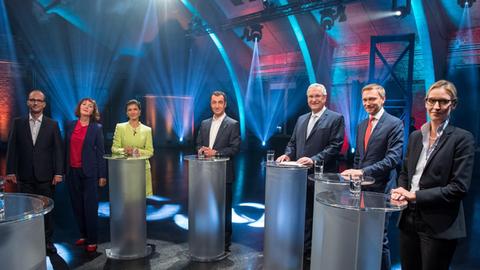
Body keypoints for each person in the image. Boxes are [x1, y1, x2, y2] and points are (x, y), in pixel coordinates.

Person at [391, 80, 475, 270]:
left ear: (453, 104)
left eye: (443, 101)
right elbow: (405, 172)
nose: (436, 107)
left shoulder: (463, 139)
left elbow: (459, 188)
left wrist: (414, 195)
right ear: (426, 102)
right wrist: (402, 189)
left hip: (439, 223)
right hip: (408, 218)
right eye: (432, 101)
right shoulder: (415, 136)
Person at [276, 83, 345, 260]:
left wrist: (314, 160)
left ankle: (319, 252)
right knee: (303, 214)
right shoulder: (301, 119)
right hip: (299, 177)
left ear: (324, 97)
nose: (313, 100)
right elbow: (293, 143)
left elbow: (335, 146)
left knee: (319, 216)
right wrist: (287, 154)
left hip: (321, 177)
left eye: (317, 96)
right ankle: (305, 250)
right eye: (310, 97)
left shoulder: (335, 118)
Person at [341, 83, 404, 270]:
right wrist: (355, 179)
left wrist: (363, 172)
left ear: (383, 99)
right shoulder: (361, 125)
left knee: (379, 238)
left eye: (372, 99)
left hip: (381, 189)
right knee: (362, 234)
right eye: (365, 100)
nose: (368, 103)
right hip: (361, 189)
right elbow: (359, 157)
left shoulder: (394, 123)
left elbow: (393, 158)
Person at [5, 90, 64, 255]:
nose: (36, 103)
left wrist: (58, 172)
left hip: (46, 176)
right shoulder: (18, 123)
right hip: (24, 176)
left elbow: (58, 151)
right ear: (28, 103)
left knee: (47, 212)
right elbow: (12, 149)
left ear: (44, 104)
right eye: (32, 100)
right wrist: (10, 170)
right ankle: (27, 241)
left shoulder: (52, 124)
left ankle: (47, 242)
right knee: (26, 211)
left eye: (39, 100)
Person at [196, 91, 241, 252]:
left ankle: (224, 242)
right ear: (210, 104)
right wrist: (201, 150)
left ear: (225, 104)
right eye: (214, 102)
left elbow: (235, 148)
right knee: (207, 207)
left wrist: (215, 152)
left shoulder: (233, 124)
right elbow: (198, 144)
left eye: (220, 102)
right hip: (205, 173)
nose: (216, 105)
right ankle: (208, 236)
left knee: (224, 208)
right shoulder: (204, 123)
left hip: (224, 174)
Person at [65, 98, 107, 252]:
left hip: (90, 172)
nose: (86, 107)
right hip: (72, 171)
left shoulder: (96, 128)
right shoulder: (70, 125)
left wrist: (102, 175)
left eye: (90, 106)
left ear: (93, 111)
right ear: (79, 107)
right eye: (84, 104)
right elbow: (65, 148)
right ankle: (83, 234)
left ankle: (92, 239)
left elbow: (101, 152)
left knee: (90, 207)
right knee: (77, 205)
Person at [112, 99, 154, 196]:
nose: (132, 112)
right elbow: (114, 148)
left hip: (142, 168)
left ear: (139, 112)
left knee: (141, 199)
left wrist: (136, 151)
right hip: (125, 168)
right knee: (126, 197)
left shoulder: (147, 130)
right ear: (127, 113)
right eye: (129, 110)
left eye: (135, 109)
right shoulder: (120, 127)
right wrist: (124, 150)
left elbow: (150, 151)